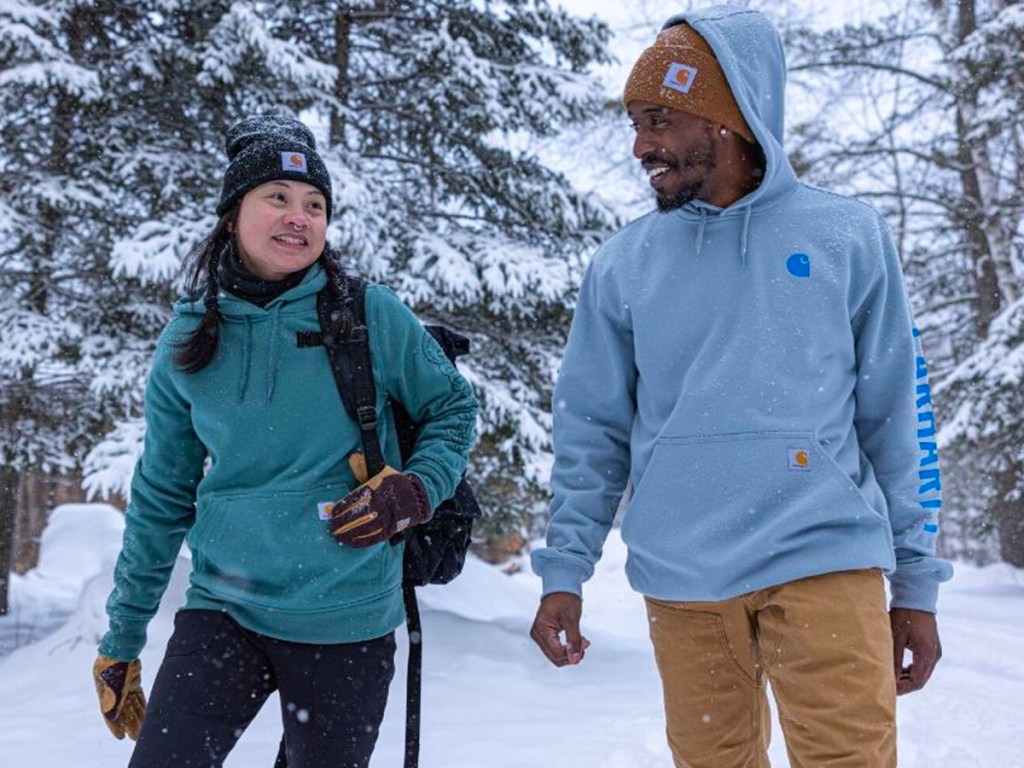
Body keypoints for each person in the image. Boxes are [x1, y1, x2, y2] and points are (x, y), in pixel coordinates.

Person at [529, 6, 953, 767]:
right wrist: (566, 569)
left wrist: (916, 581)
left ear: (729, 118)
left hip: (825, 558)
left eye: (660, 119)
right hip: (685, 581)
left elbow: (898, 414)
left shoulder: (846, 237)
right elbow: (589, 431)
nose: (640, 146)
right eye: (634, 121)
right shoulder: (625, 264)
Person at [92, 114, 478, 768]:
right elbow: (162, 497)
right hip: (225, 611)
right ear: (232, 213)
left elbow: (452, 407)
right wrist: (123, 638)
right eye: (277, 198)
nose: (298, 217)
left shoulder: (367, 315)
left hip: (347, 620)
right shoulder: (189, 339)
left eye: (315, 205)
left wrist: (418, 487)